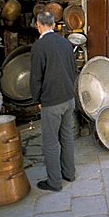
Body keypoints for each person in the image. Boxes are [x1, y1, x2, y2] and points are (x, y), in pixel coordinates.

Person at [30, 11, 77, 192]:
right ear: (53, 24)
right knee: (66, 137)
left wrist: (37, 99)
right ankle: (69, 173)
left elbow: (36, 77)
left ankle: (54, 182)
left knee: (50, 142)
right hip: (68, 98)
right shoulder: (65, 42)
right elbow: (73, 69)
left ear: (39, 25)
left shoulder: (39, 46)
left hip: (52, 101)